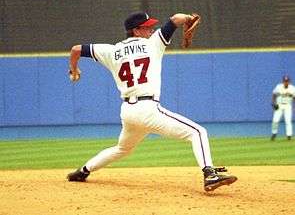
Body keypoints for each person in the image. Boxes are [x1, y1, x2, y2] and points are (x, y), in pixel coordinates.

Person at [67, 11, 237, 191]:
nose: (152, 29)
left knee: (122, 149)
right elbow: (176, 19)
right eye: (147, 27)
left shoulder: (111, 50)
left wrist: (74, 70)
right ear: (136, 31)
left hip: (128, 112)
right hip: (148, 109)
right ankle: (209, 174)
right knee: (198, 132)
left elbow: (76, 49)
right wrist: (188, 19)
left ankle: (83, 171)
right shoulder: (153, 44)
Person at [271, 75, 295, 140]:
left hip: (288, 105)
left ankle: (289, 135)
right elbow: (274, 94)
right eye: (285, 81)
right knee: (275, 120)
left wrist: (292, 96)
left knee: (288, 121)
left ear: (289, 81)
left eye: (287, 81)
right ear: (283, 81)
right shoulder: (278, 87)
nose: (286, 82)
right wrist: (273, 103)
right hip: (279, 105)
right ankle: (274, 133)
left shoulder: (292, 88)